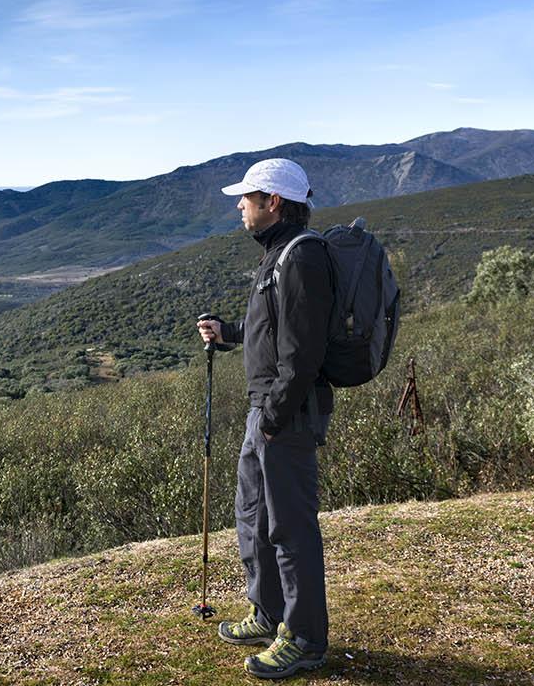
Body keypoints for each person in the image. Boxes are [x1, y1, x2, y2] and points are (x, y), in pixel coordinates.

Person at [197, 157, 332, 680]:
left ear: (273, 202)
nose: (240, 206)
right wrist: (228, 332)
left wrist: (273, 418)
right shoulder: (278, 256)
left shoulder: (300, 258)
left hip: (285, 415)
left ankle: (304, 638)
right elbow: (272, 334)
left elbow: (303, 355)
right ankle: (269, 611)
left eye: (248, 198)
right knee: (253, 517)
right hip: (269, 413)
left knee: (291, 528)